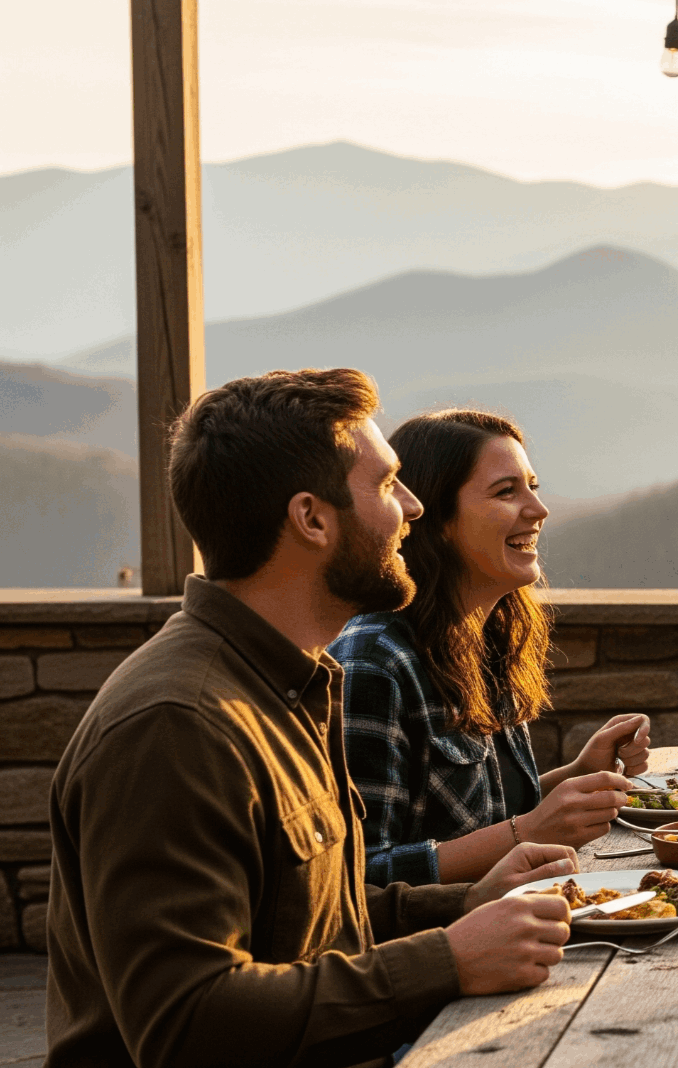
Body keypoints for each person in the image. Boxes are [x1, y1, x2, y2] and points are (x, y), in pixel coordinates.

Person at [44, 370, 575, 1068]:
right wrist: (446, 960)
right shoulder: (176, 725)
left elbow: (314, 925)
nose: (413, 508)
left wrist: (463, 902)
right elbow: (186, 1024)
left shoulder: (290, 683)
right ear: (312, 519)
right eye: (388, 486)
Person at [333, 410, 646, 888]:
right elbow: (359, 878)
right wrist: (529, 833)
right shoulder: (373, 662)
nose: (538, 510)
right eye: (506, 491)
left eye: (533, 487)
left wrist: (577, 776)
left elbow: (491, 818)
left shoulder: (485, 635)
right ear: (435, 518)